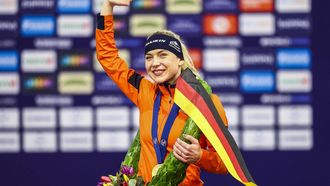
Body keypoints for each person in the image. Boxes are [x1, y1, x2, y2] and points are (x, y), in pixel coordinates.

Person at [96, 0, 229, 185]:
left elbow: (225, 162)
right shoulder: (145, 91)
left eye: (162, 55)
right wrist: (107, 7)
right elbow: (108, 58)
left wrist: (200, 156)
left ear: (180, 61)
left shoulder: (206, 102)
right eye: (149, 57)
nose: (154, 63)